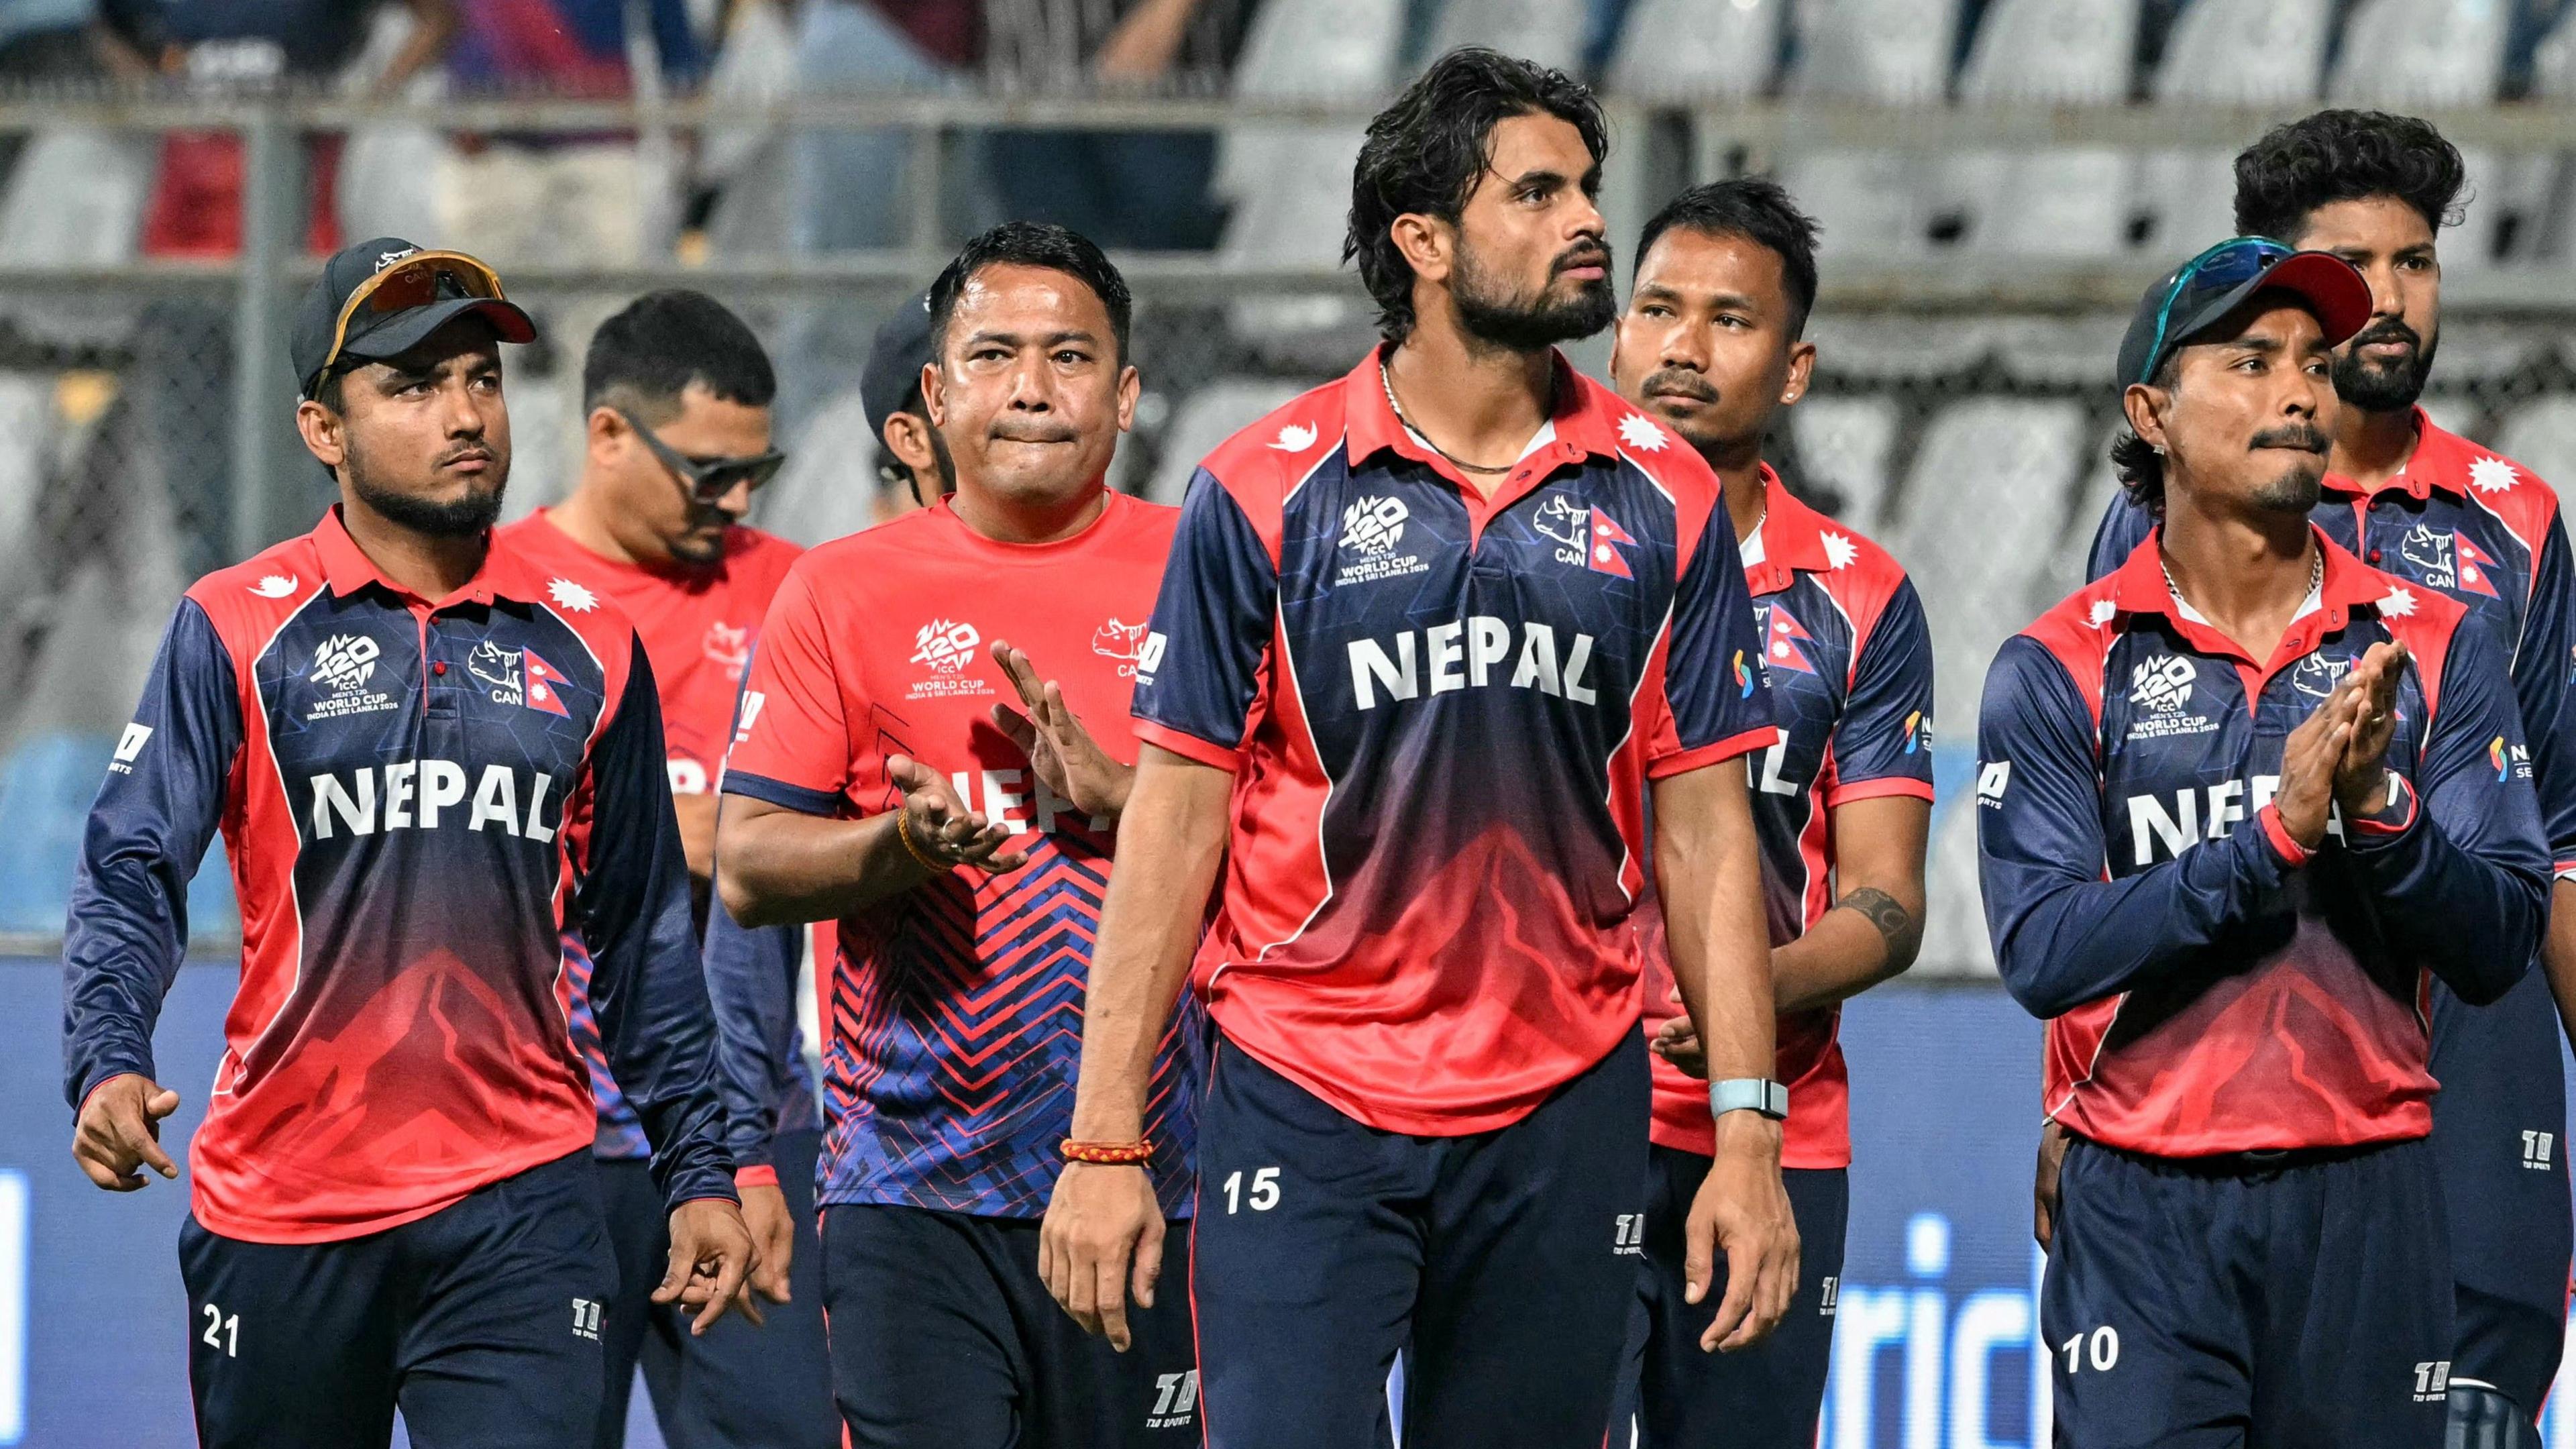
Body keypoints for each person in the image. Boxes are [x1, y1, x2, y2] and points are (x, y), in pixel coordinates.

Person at [1040, 47, 1795, 1449]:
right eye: (1536, 192)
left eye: (1587, 188)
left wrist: (1747, 1130)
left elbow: (1706, 831)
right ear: (1425, 242)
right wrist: (1103, 1140)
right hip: (1304, 1096)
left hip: (1567, 1104)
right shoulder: (1261, 492)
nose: (1587, 222)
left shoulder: (1669, 494)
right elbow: (1175, 826)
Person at [60, 238, 757, 1449]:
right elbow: (133, 865)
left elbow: (642, 926)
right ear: (322, 429)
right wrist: (106, 1057)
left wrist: (700, 1167)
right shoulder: (231, 624)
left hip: (524, 1204)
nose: (465, 414)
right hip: (284, 1205)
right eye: (413, 386)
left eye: (480, 378)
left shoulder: (591, 643)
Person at [1981, 237, 2549, 1446]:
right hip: (2142, 1205)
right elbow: (2040, 951)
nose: (2301, 391)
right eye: (2250, 360)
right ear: (2153, 411)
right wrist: (2271, 841)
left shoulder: (2439, 645)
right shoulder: (2057, 663)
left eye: (2313, 362)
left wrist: (2385, 816)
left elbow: (2502, 941)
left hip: (2373, 1194)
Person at [714, 220, 1201, 1448]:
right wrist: (898, 848)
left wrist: (1133, 798)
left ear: (1129, 392)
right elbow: (748, 865)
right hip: (909, 1195)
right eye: (994, 355)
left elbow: (1321, 852)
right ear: (935, 395)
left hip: (1164, 1181)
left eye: (1070, 357)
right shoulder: (838, 589)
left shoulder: (1211, 571)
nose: (1032, 387)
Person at [1605, 178, 1933, 1448]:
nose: (1682, 348)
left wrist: (1746, 992)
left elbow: (1888, 905)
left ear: (1794, 369)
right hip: (1543, 1120)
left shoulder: (1862, 597)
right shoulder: (1519, 547)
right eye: (1656, 311)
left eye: (1729, 321)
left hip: (1779, 1133)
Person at [494, 289, 827, 1449]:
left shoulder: (802, 590)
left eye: (756, 470)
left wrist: (726, 834)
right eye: (706, 471)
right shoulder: (495, 596)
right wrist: (675, 826)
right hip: (546, 1134)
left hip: (750, 1139)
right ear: (607, 437)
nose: (735, 501)